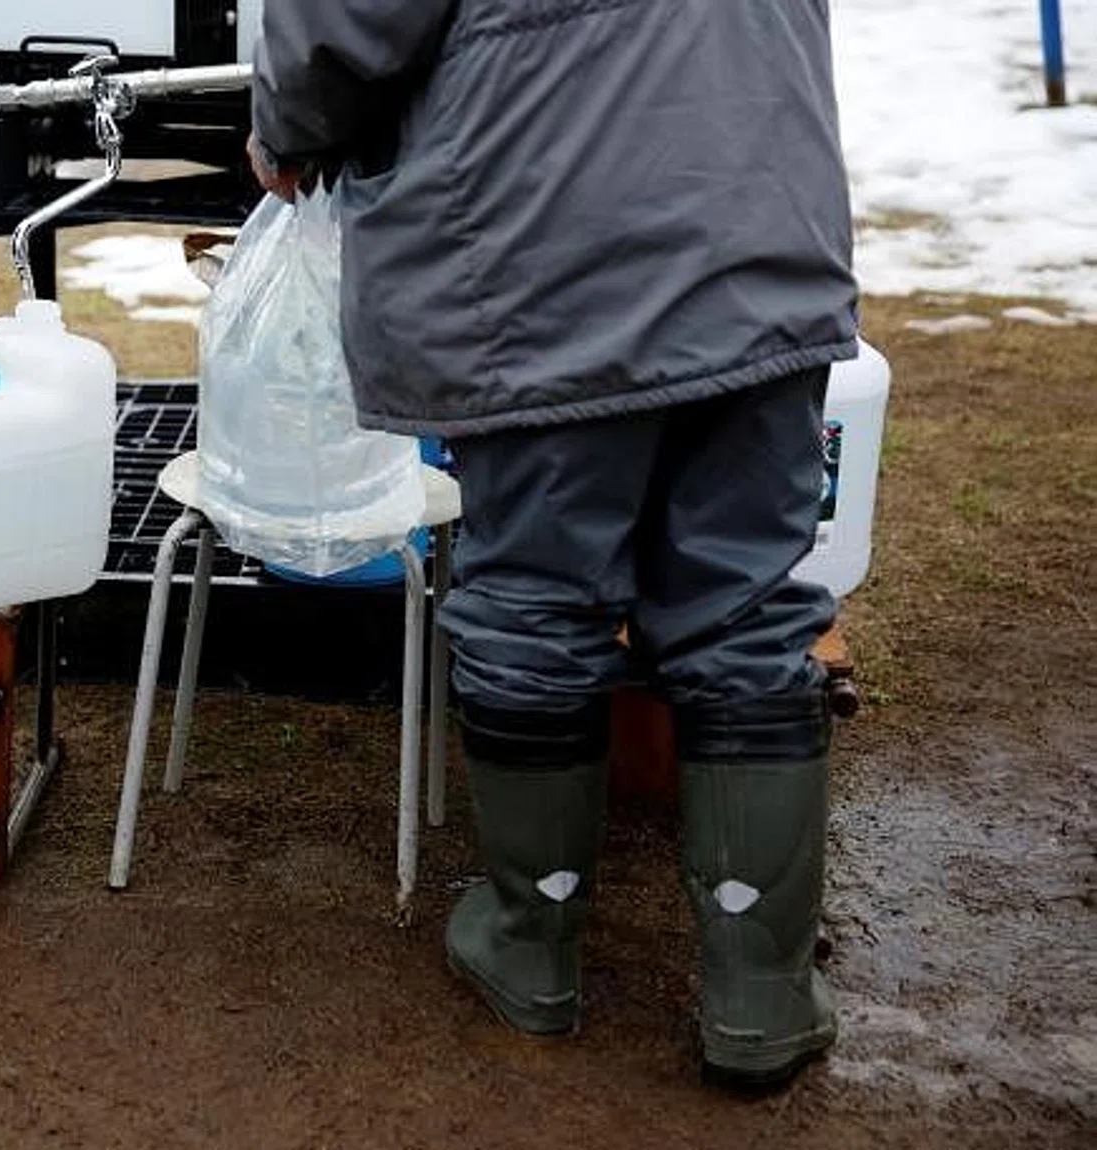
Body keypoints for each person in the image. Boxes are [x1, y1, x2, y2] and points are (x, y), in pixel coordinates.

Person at [248, 0, 856, 1089]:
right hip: (761, 206)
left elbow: (342, 24)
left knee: (535, 597)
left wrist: (288, 126)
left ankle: (533, 944)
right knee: (749, 606)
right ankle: (759, 992)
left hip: (542, 247)